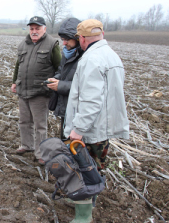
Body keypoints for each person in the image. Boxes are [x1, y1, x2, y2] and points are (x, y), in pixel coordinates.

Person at [64, 19, 130, 171]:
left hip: (89, 132)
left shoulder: (91, 59)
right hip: (102, 130)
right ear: (102, 34)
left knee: (84, 173)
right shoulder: (112, 56)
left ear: (82, 38)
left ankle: (84, 195)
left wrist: (78, 129)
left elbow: (91, 101)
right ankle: (93, 193)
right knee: (96, 171)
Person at [11, 16, 61, 165]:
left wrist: (55, 83)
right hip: (23, 89)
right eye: (32, 28)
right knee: (24, 121)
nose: (34, 31)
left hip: (40, 92)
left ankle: (41, 153)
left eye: (37, 28)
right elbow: (18, 66)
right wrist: (14, 82)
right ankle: (27, 145)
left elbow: (59, 67)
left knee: (40, 125)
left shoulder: (52, 44)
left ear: (44, 29)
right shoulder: (23, 44)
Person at [46, 18, 83, 140]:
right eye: (63, 39)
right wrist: (55, 80)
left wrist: (60, 85)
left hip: (79, 112)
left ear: (77, 38)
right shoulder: (67, 53)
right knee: (65, 141)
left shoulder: (86, 57)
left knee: (76, 146)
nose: (64, 43)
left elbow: (85, 87)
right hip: (66, 107)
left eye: (67, 39)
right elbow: (61, 72)